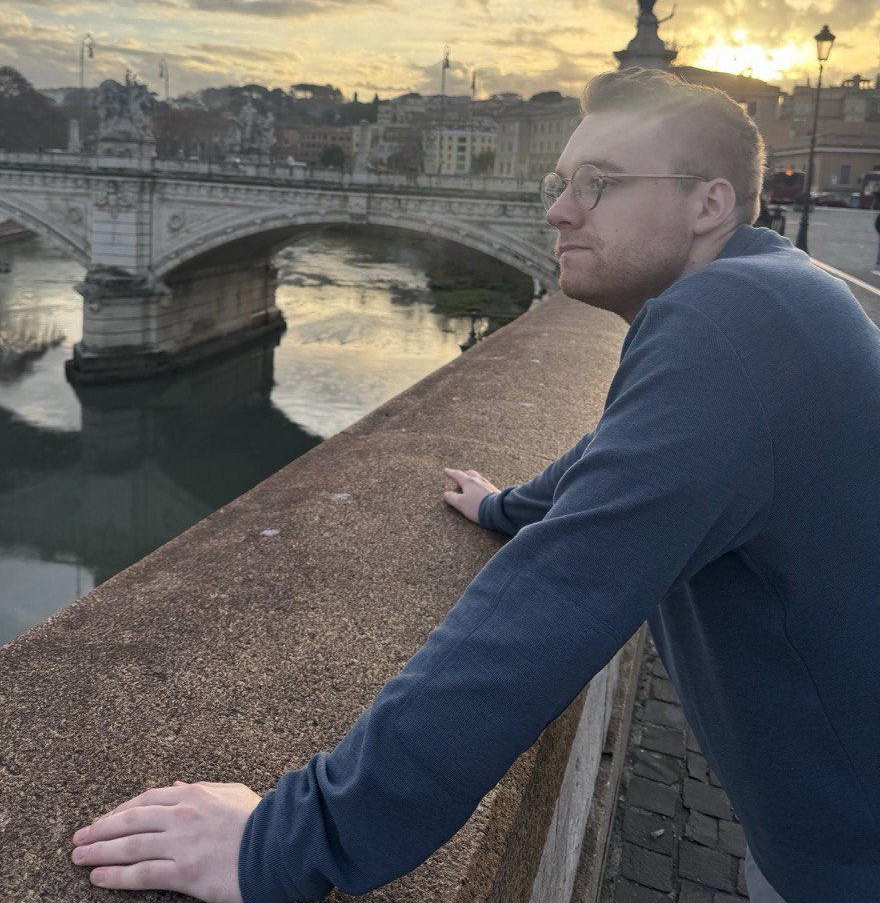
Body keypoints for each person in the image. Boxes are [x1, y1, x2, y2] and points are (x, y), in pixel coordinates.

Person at [71, 68, 880, 903]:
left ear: (708, 205)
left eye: (598, 184)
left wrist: (292, 839)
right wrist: (504, 505)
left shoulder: (730, 320)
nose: (558, 211)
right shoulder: (773, 296)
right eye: (558, 183)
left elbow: (562, 592)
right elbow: (619, 458)